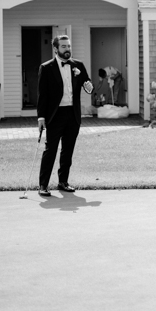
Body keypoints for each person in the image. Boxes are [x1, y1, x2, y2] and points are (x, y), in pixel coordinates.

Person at [36, 35, 94, 197]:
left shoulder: (78, 65)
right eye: (63, 47)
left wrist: (89, 87)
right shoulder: (46, 68)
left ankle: (63, 182)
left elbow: (87, 86)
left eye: (68, 46)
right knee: (51, 150)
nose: (67, 49)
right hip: (55, 115)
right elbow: (42, 96)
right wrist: (41, 117)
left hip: (73, 114)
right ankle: (43, 185)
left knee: (67, 150)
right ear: (56, 49)